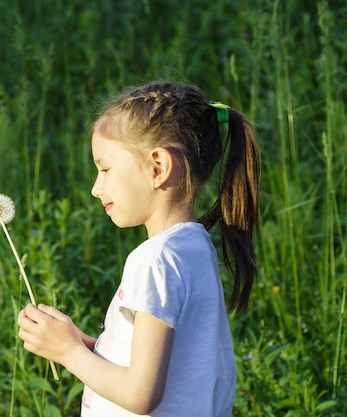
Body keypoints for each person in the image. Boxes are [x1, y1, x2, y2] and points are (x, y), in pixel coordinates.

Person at [17, 81, 260, 416]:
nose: (95, 188)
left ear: (157, 167)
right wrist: (88, 344)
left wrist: (68, 353)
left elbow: (141, 394)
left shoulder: (155, 261)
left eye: (105, 169)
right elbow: (172, 359)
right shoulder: (195, 247)